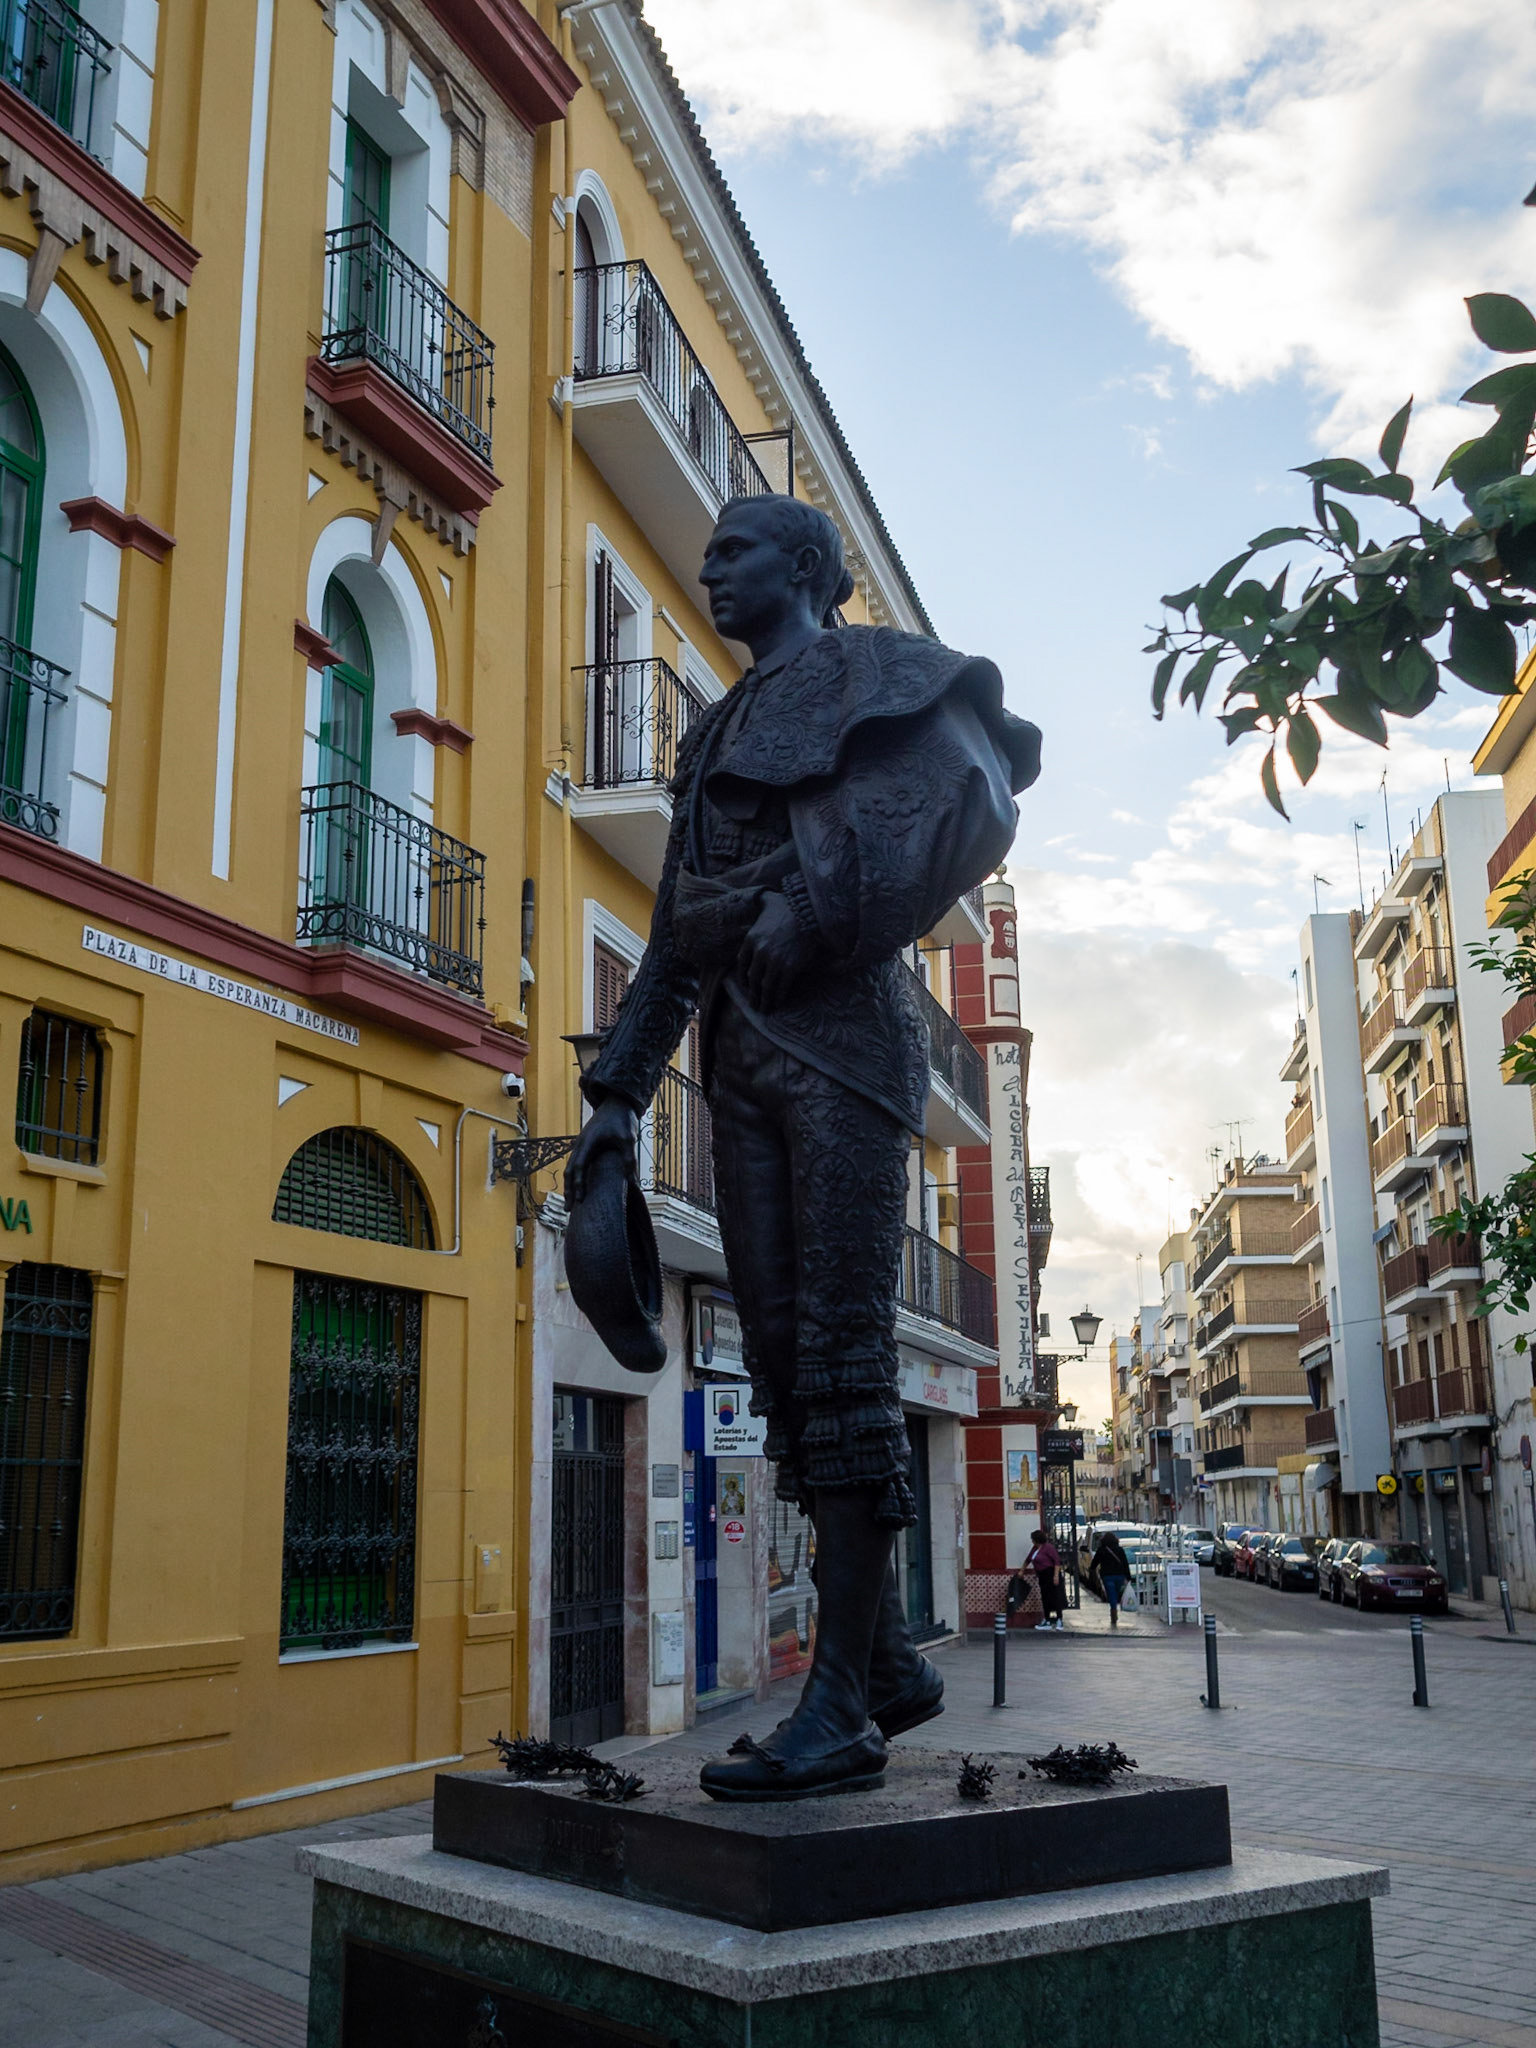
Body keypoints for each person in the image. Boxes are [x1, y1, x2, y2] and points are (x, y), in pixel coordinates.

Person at [566, 493, 1039, 1800]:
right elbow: (673, 929)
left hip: (844, 1047)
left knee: (837, 1352)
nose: (712, 571)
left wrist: (815, 909)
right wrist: (615, 1092)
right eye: (705, 551)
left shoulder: (879, 675)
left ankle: (838, 1703)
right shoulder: (714, 733)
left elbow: (971, 801)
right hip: (743, 1052)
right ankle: (887, 1657)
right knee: (780, 1359)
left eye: (735, 553)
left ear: (807, 569)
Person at [1025, 1529, 1065, 1630]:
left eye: (1032, 1539)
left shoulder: (1048, 1548)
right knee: (1045, 1597)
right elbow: (1028, 1559)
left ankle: (1059, 1619)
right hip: (1042, 1576)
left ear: (1036, 1539)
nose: (1031, 1541)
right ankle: (1047, 1619)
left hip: (1050, 1574)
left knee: (1055, 1596)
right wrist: (1022, 1570)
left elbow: (1057, 1561)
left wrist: (1055, 1576)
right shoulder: (1035, 1549)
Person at [1094, 1530, 1132, 1626]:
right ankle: (1114, 1611)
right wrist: (1128, 1577)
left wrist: (1093, 1570)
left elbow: (1094, 1563)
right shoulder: (1119, 1549)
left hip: (1107, 1576)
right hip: (1119, 1575)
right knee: (1116, 1593)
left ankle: (1113, 1612)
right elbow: (1125, 1563)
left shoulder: (1101, 1550)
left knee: (1111, 1595)